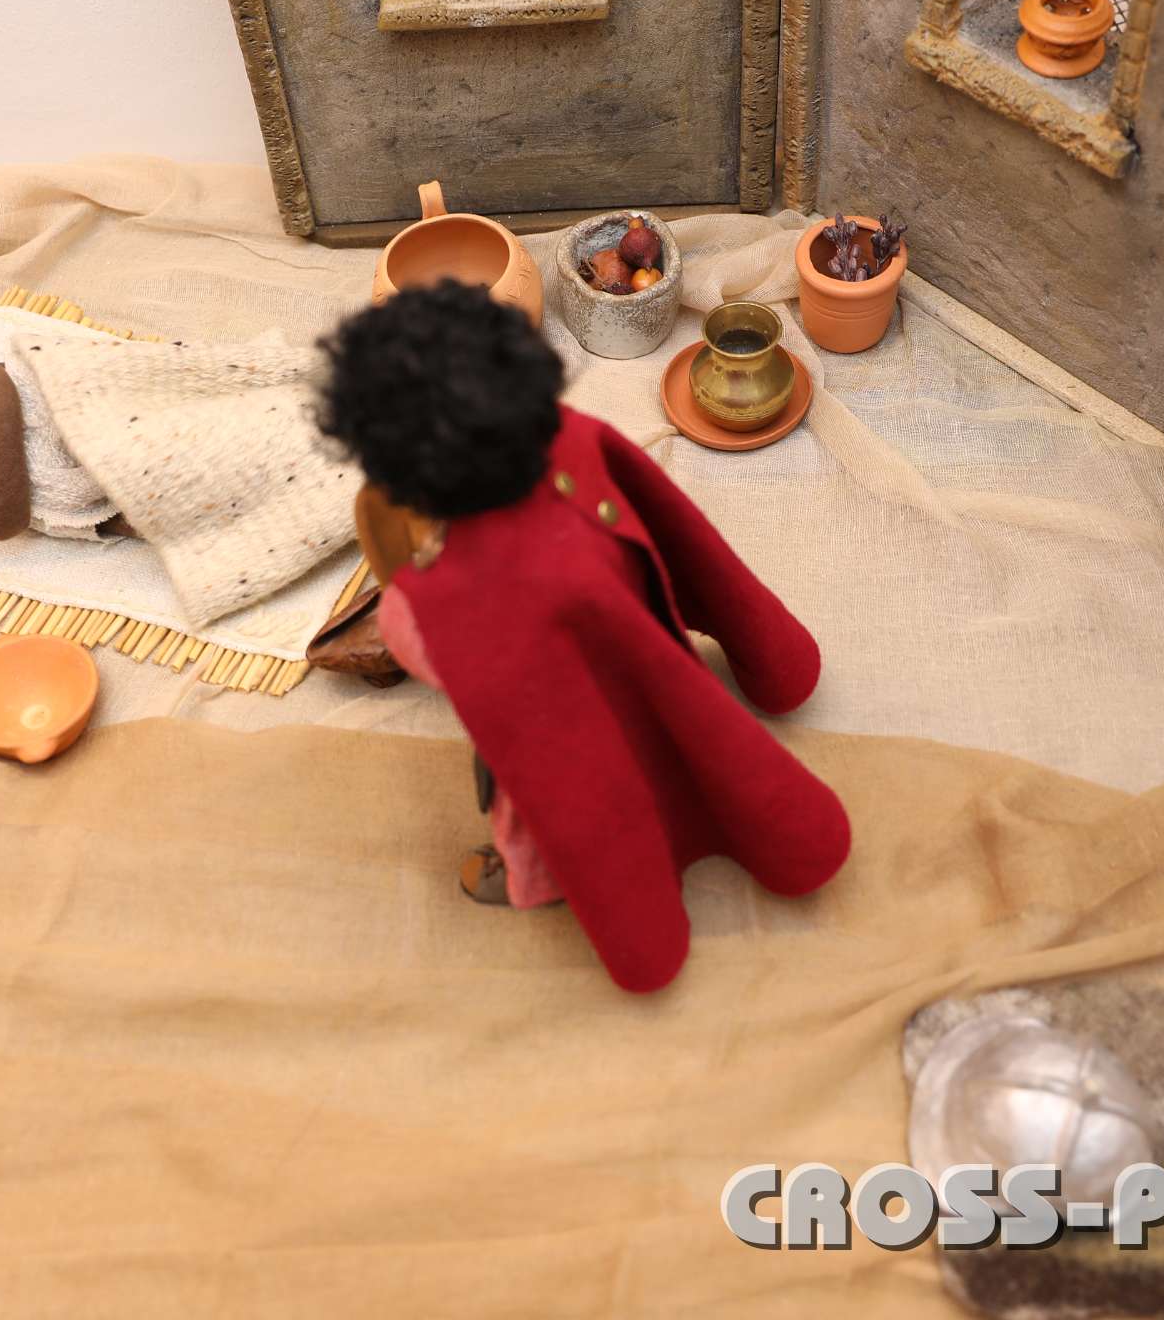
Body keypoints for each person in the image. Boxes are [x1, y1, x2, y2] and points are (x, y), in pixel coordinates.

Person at [315, 282, 852, 992]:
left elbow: (516, 735)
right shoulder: (576, 436)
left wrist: (419, 581)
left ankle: (536, 883)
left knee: (542, 805)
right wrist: (769, 655)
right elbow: (691, 543)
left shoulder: (435, 603)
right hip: (638, 619)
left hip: (565, 710)